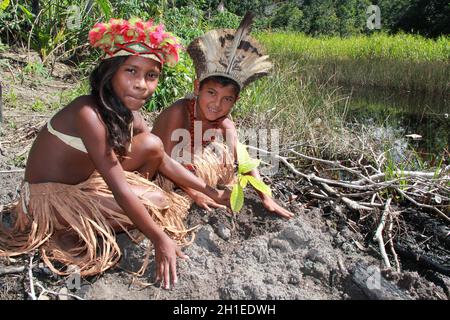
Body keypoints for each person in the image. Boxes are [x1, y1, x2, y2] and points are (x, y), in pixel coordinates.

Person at [0, 18, 229, 289]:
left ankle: (114, 219)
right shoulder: (88, 113)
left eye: (151, 76)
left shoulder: (126, 111)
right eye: (131, 71)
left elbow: (163, 159)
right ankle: (64, 235)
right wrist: (159, 239)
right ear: (109, 73)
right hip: (48, 198)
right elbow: (119, 188)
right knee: (152, 201)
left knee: (152, 145)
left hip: (84, 182)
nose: (141, 84)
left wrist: (209, 191)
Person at [152, 13, 294, 219]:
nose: (217, 104)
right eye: (211, 93)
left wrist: (266, 197)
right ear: (197, 88)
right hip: (161, 175)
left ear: (235, 101)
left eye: (227, 99)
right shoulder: (178, 112)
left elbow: (244, 161)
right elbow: (162, 162)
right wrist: (193, 193)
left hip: (193, 177)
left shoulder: (225, 124)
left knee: (224, 155)